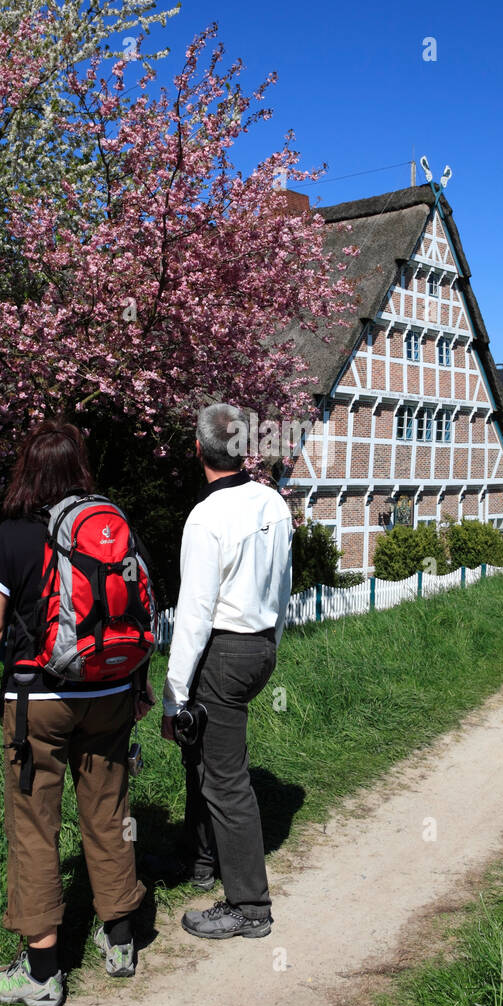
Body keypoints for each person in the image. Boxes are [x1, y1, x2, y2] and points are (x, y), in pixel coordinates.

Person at [0, 419, 154, 1006]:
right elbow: (144, 611)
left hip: (38, 703)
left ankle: (42, 973)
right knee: (109, 811)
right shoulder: (111, 526)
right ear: (80, 468)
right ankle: (120, 940)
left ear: (27, 470)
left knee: (34, 826)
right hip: (112, 692)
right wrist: (141, 684)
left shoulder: (14, 535)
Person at [161, 403, 293, 940]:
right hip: (260, 645)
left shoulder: (205, 517)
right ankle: (201, 860)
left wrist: (172, 698)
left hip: (223, 648)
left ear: (197, 450)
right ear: (245, 449)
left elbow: (193, 612)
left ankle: (249, 907)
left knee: (225, 777)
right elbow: (282, 585)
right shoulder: (272, 502)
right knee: (209, 753)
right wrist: (272, 644)